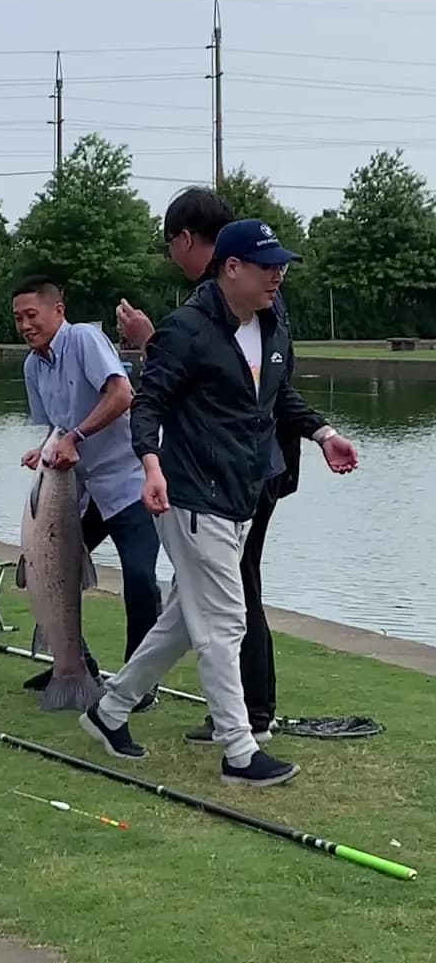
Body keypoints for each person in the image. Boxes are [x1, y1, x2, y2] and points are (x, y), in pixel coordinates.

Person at [81, 220, 358, 788]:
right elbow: (148, 403)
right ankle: (239, 750)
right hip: (190, 496)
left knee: (185, 620)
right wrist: (151, 465)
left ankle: (109, 712)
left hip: (242, 497)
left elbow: (279, 398)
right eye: (266, 265)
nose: (277, 274)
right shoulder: (186, 330)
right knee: (226, 620)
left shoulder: (275, 323)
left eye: (280, 264)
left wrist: (324, 434)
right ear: (231, 268)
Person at [13, 276, 162, 710]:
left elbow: (123, 394)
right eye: (18, 318)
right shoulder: (32, 366)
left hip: (126, 481)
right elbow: (55, 426)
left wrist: (75, 437)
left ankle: (140, 682)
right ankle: (74, 663)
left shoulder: (84, 339)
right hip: (77, 490)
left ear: (57, 311)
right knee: (48, 569)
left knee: (138, 577)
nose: (25, 325)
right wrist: (43, 450)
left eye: (32, 315)